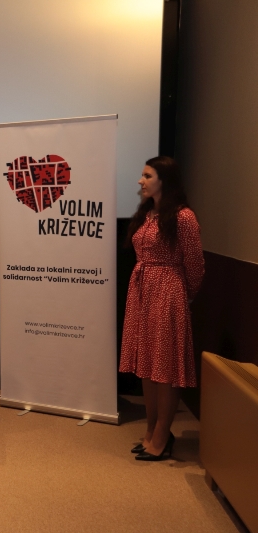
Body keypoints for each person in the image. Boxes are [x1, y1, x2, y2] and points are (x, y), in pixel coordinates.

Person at [119, 156, 204, 461]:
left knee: (164, 369)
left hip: (167, 293)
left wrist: (180, 296)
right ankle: (151, 431)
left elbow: (195, 265)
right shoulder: (148, 214)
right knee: (147, 365)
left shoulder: (183, 217)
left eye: (147, 175)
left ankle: (161, 436)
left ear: (164, 180)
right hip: (142, 293)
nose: (140, 181)